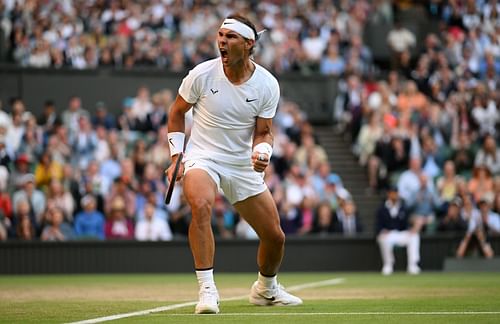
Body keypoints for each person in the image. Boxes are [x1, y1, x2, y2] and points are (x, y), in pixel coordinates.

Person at [165, 13, 302, 315]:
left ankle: (266, 289)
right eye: (220, 36)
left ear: (249, 43)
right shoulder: (201, 74)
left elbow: (264, 132)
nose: (221, 42)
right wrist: (177, 156)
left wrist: (262, 152)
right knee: (200, 205)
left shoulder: (267, 84)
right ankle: (207, 289)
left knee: (275, 237)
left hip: (241, 164)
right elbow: (176, 113)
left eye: (230, 37)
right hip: (203, 156)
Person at [376, 186, 420, 275]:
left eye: (396, 193)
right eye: (392, 193)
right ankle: (388, 265)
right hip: (388, 235)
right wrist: (383, 231)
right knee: (382, 238)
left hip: (401, 234)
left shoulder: (403, 207)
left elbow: (406, 224)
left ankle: (413, 265)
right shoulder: (381, 209)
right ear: (388, 194)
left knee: (414, 236)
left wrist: (411, 229)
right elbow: (378, 226)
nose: (394, 195)